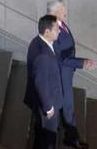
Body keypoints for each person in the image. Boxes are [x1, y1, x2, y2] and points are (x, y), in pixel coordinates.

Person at [47, 0, 96, 149]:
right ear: (54, 12)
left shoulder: (60, 24)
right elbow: (61, 59)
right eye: (63, 9)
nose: (65, 11)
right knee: (67, 106)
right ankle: (70, 139)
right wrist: (83, 63)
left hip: (66, 72)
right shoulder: (52, 30)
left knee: (65, 106)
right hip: (61, 73)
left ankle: (69, 136)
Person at [25, 15, 65, 149]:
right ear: (47, 32)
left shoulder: (37, 41)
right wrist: (49, 108)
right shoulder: (43, 55)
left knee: (42, 134)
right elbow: (40, 83)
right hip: (47, 106)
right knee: (48, 139)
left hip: (40, 101)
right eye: (56, 29)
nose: (59, 31)